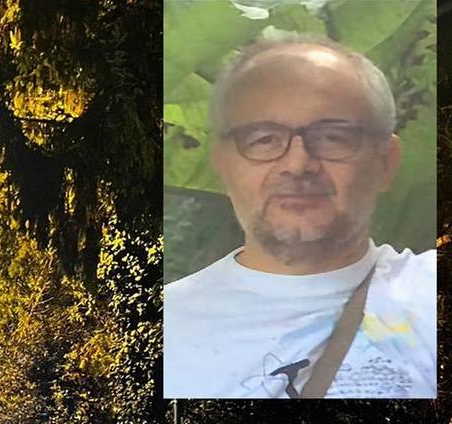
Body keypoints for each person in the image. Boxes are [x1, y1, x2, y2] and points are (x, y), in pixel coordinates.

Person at [164, 35, 435, 399]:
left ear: (385, 162)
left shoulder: (429, 295)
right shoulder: (162, 328)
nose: (298, 164)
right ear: (222, 164)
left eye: (333, 137)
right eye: (263, 139)